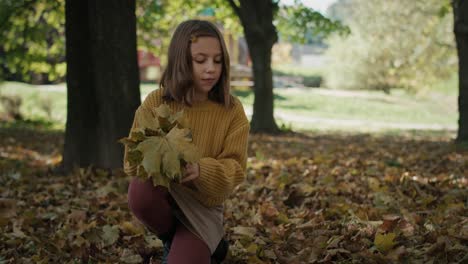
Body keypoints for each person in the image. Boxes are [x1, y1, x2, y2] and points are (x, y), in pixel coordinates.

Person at [124, 19, 250, 264]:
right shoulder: (157, 101)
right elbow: (131, 162)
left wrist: (201, 170)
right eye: (200, 60)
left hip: (203, 206)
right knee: (140, 191)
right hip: (163, 197)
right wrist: (159, 158)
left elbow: (235, 170)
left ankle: (207, 245)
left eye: (218, 60)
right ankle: (174, 238)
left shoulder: (232, 110)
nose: (211, 68)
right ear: (181, 60)